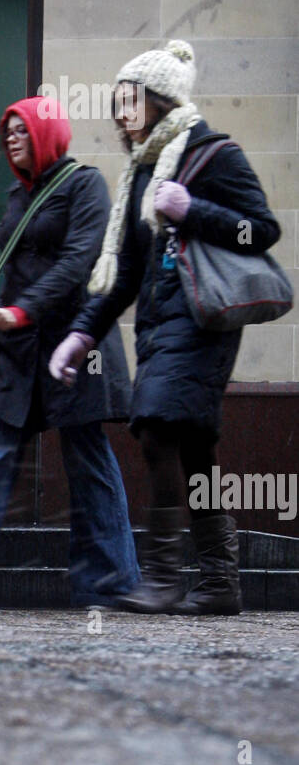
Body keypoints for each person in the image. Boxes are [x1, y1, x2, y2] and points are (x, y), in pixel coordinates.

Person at [50, 41, 281, 614]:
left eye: (131, 102)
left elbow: (263, 231)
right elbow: (124, 272)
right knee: (194, 448)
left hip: (204, 320)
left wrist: (192, 211)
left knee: (155, 429)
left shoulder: (213, 153)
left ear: (160, 100)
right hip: (158, 323)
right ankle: (219, 582)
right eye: (117, 103)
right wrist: (80, 335)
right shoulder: (139, 173)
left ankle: (161, 577)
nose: (122, 114)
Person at [0, 96, 139, 607]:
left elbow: (82, 259)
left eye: (22, 129)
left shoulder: (85, 185)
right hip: (17, 353)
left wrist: (23, 310)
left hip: (75, 346)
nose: (12, 138)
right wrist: (10, 324)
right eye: (7, 131)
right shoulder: (18, 195)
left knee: (87, 458)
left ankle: (111, 581)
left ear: (47, 133)